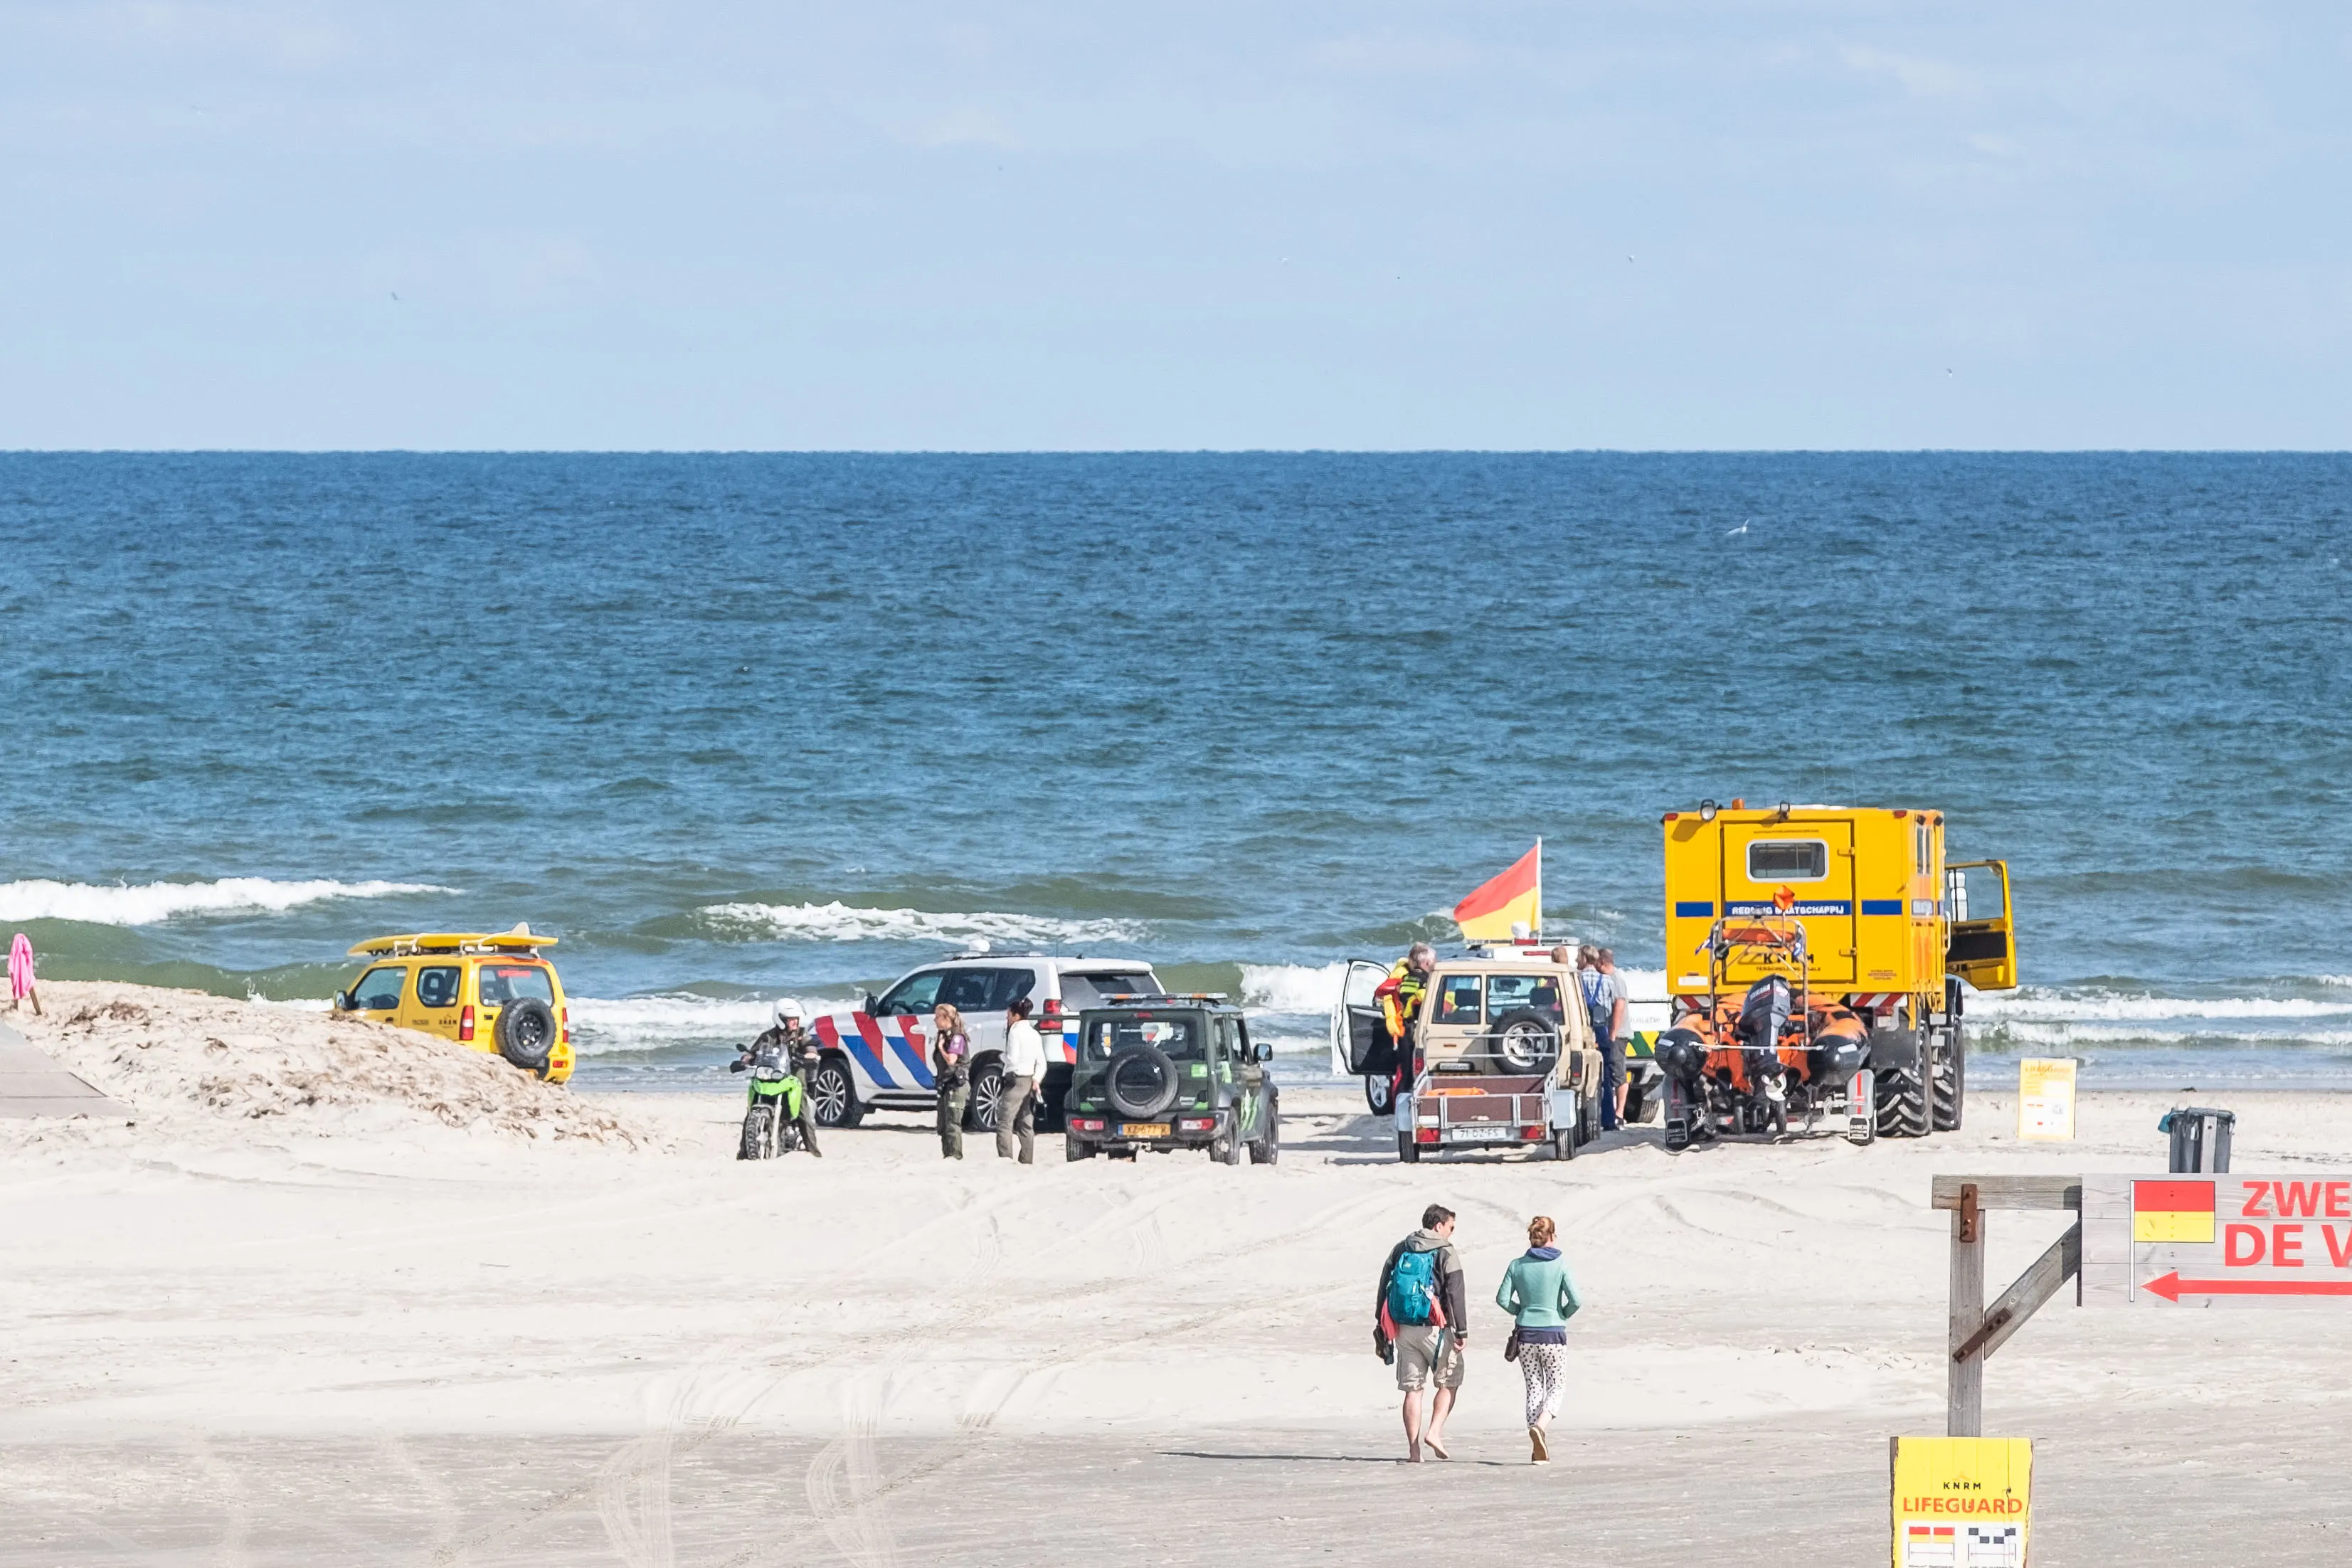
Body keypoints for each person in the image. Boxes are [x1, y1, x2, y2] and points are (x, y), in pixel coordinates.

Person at [1373, 1203, 1468, 1462]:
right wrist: (1461, 1330)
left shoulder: (1402, 1247)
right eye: (1450, 1227)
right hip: (1436, 1328)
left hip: (1403, 1327)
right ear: (1439, 1226)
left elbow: (1385, 1283)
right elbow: (1455, 1291)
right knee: (1449, 1382)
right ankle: (1435, 1432)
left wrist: (1381, 1323)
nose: (1451, 1233)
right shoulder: (1446, 1251)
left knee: (1413, 1390)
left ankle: (1414, 1451)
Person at [1496, 1214, 1582, 1463]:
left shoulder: (1517, 1265)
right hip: (1553, 1335)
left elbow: (1502, 1299)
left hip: (1526, 1336)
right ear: (1552, 1236)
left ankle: (1537, 1450)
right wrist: (1562, 1314)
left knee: (1534, 1387)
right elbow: (1576, 1300)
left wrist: (1520, 1311)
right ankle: (1541, 1427)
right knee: (1557, 1386)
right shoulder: (1561, 1264)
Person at [736, 1000, 822, 1157]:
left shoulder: (802, 1034)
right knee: (751, 1112)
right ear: (781, 1020)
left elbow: (811, 1046)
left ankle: (813, 1151)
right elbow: (754, 1051)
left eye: (796, 1018)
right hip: (770, 1077)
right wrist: (747, 1057)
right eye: (791, 1019)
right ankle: (744, 1152)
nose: (795, 1022)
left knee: (804, 1113)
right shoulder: (768, 1036)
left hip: (794, 1078)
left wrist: (811, 1054)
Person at [1372, 942, 1436, 1111]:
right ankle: (1401, 1108)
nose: (1436, 964)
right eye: (1434, 961)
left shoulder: (1407, 977)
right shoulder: (1413, 978)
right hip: (1407, 1029)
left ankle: (1406, 1105)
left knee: (1410, 1071)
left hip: (1407, 1028)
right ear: (1426, 963)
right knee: (1407, 1072)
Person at [996, 995, 1046, 1163]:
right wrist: (1036, 1079)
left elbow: (1012, 1059)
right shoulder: (1035, 1033)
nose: (1007, 1018)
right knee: (1025, 1121)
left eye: (1009, 1015)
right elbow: (1042, 1063)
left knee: (1004, 1120)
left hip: (1016, 1079)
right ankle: (1027, 1159)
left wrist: (1001, 1057)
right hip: (1029, 1079)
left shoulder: (1015, 1032)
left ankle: (1005, 1158)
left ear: (1016, 1015)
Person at [1577, 957, 1623, 1132]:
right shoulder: (1607, 980)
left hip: (1581, 1031)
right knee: (1605, 1078)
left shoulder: (1576, 977)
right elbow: (1614, 1004)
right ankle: (1608, 1120)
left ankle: (1584, 1120)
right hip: (1601, 1029)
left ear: (1583, 959)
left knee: (1579, 1077)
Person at [1597, 948, 1632, 1125]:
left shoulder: (1616, 979)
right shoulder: (1611, 978)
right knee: (1612, 1074)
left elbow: (1619, 1005)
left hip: (1617, 1034)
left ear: (1603, 963)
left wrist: (1612, 1033)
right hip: (1614, 1033)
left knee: (1618, 1074)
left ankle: (1619, 1113)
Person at [932, 1002, 971, 1159]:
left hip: (956, 1084)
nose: (935, 1020)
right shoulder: (945, 1035)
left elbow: (951, 1060)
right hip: (946, 1084)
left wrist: (941, 1048)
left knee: (953, 1123)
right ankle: (946, 1155)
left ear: (946, 1018)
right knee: (943, 1124)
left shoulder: (957, 1038)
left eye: (937, 1017)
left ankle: (955, 1156)